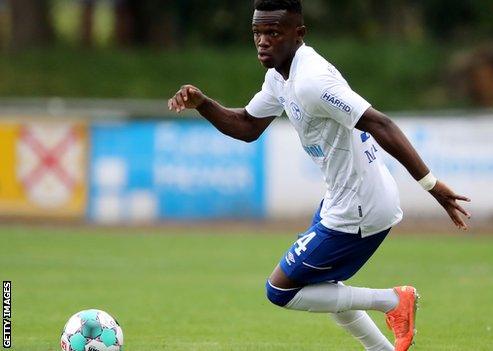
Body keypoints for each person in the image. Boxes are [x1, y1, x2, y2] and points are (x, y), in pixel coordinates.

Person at [168, 1, 471, 349]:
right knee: (324, 287)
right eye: (257, 33)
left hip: (360, 207)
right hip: (343, 198)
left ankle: (392, 300)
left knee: (280, 290)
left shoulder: (313, 80)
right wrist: (204, 103)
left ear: (298, 34)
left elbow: (380, 123)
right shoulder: (280, 77)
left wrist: (431, 186)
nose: (263, 41)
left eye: (273, 33)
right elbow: (248, 126)